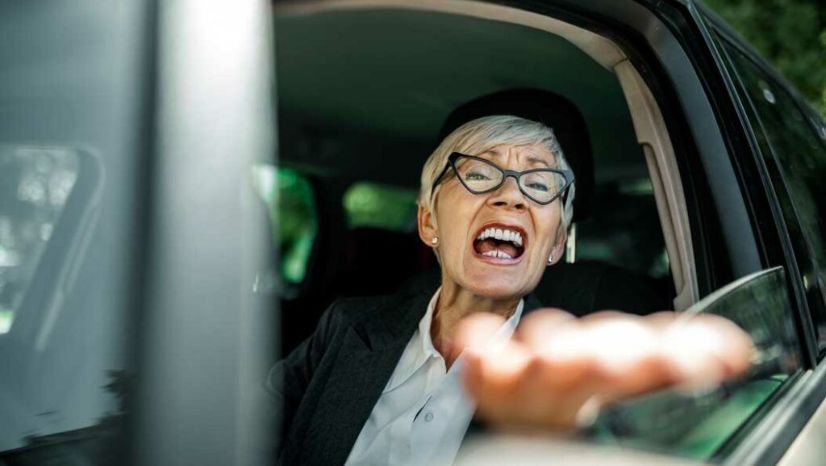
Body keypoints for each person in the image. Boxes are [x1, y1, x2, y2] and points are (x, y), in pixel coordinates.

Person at [267, 115, 754, 465]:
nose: (511, 195)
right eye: (478, 174)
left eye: (541, 185)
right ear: (428, 221)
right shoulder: (347, 326)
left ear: (557, 243)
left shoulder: (572, 380)